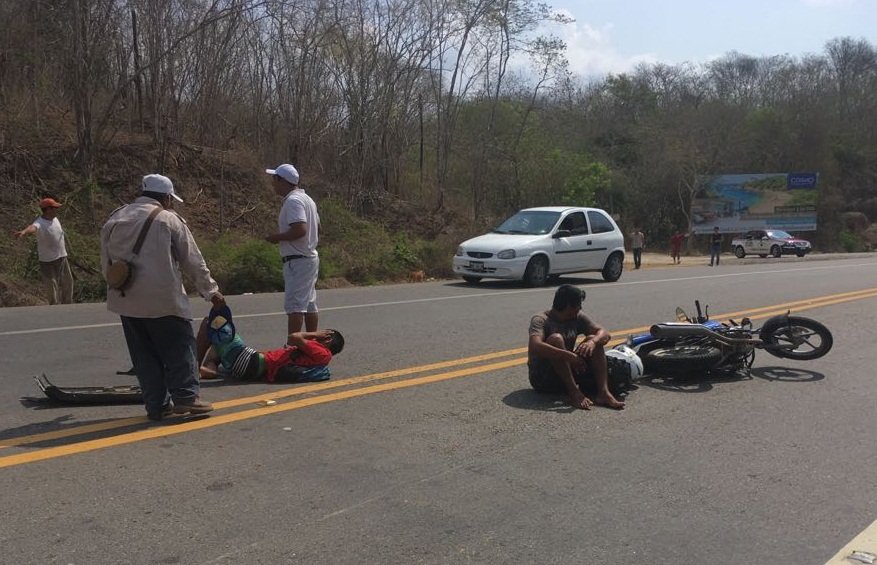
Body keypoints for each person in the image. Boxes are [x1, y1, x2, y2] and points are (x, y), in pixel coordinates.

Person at [100, 174, 224, 421]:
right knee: (180, 348)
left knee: (144, 355)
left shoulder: (114, 218)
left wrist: (118, 288)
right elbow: (193, 260)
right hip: (163, 299)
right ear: (167, 198)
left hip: (126, 298)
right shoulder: (168, 219)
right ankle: (187, 398)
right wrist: (211, 291)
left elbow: (107, 263)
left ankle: (156, 405)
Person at [527, 284, 625, 411]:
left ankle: (603, 393)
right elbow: (535, 346)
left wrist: (593, 342)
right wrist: (569, 356)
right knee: (555, 339)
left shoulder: (578, 316)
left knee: (593, 339)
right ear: (569, 306)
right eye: (579, 305)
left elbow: (604, 333)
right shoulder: (541, 320)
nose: (580, 308)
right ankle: (574, 393)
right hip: (543, 378)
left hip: (567, 371)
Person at [195, 306, 344, 383]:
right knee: (217, 341)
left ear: (328, 339)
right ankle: (207, 370)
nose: (318, 335)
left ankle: (191, 368)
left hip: (250, 363)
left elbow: (293, 337)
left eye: (323, 334)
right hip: (250, 366)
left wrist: (314, 334)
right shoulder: (322, 357)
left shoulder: (322, 352)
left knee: (214, 323)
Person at [264, 164, 321, 343]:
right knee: (309, 304)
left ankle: (292, 347)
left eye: (275, 179)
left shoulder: (293, 201)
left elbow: (300, 229)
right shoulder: (308, 200)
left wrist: (276, 237)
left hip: (298, 260)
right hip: (309, 258)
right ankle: (312, 344)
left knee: (295, 306)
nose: (273, 184)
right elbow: (318, 227)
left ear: (282, 180)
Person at [14, 198, 74, 304]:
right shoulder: (40, 222)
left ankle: (67, 306)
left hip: (61, 257)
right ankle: (53, 308)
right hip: (47, 261)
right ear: (48, 209)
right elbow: (33, 227)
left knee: (68, 283)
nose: (57, 210)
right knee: (52, 287)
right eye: (55, 208)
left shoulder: (55, 219)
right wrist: (24, 232)